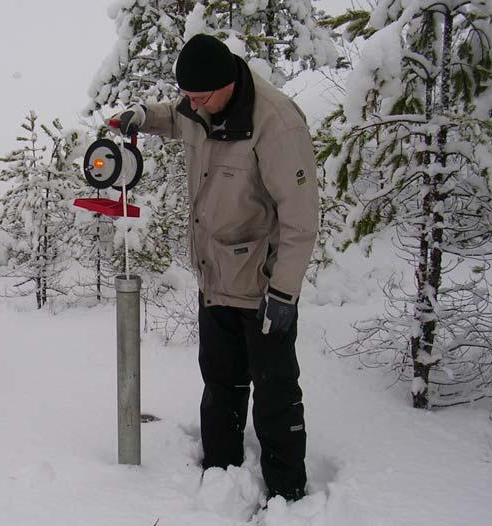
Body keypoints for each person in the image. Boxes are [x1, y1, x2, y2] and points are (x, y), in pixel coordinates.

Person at [108, 34, 319, 502]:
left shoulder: (277, 124)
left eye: (199, 97)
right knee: (220, 381)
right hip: (215, 274)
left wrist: (284, 294)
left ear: (226, 84)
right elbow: (175, 114)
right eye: (188, 96)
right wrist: (144, 115)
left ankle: (287, 491)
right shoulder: (201, 106)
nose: (191, 105)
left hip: (264, 287)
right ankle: (220, 471)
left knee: (274, 391)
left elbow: (301, 220)